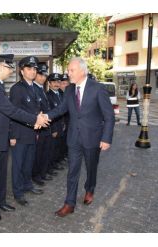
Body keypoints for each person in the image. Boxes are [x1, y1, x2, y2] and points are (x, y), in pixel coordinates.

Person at [0, 54, 49, 221]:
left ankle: (0, 201)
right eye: (9, 68)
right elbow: (11, 110)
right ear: (1, 67)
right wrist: (34, 120)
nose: (11, 71)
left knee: (1, 175)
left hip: (0, 138)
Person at [46, 57, 115, 217]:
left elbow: (109, 116)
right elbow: (61, 109)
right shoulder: (69, 90)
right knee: (72, 171)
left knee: (91, 168)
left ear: (82, 71)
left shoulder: (97, 88)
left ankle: (90, 188)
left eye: (71, 70)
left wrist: (106, 138)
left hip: (93, 138)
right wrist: (45, 116)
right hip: (74, 138)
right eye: (68, 70)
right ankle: (69, 203)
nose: (68, 73)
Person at [9, 56, 44, 206]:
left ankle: (27, 185)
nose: (32, 71)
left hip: (31, 133)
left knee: (28, 163)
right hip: (20, 134)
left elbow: (35, 111)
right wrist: (12, 135)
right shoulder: (17, 89)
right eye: (29, 68)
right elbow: (13, 113)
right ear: (21, 71)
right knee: (18, 164)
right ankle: (18, 192)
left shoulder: (35, 88)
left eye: (34, 68)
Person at [32, 62, 53, 186]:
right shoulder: (33, 88)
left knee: (45, 152)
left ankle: (42, 173)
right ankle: (36, 175)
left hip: (46, 127)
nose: (43, 77)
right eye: (40, 74)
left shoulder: (42, 89)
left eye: (45, 75)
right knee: (37, 154)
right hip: (38, 128)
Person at [46, 73, 65, 173]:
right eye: (54, 82)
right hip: (54, 127)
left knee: (58, 147)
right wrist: (53, 129)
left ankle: (55, 164)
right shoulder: (48, 96)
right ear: (49, 83)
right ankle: (50, 167)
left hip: (61, 126)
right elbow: (49, 114)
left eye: (58, 82)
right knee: (51, 149)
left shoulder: (61, 94)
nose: (56, 84)